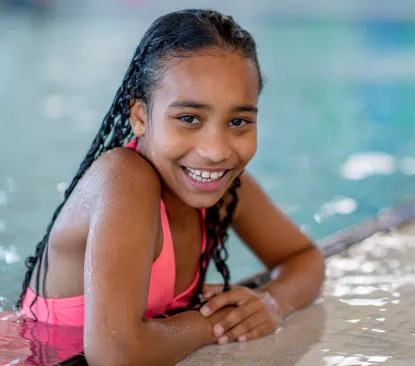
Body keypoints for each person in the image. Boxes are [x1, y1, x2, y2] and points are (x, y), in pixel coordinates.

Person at [15, 9, 325, 365]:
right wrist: (214, 323)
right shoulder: (123, 179)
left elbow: (305, 258)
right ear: (140, 117)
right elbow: (115, 355)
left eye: (238, 121)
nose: (216, 151)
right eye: (189, 118)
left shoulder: (226, 187)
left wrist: (273, 302)